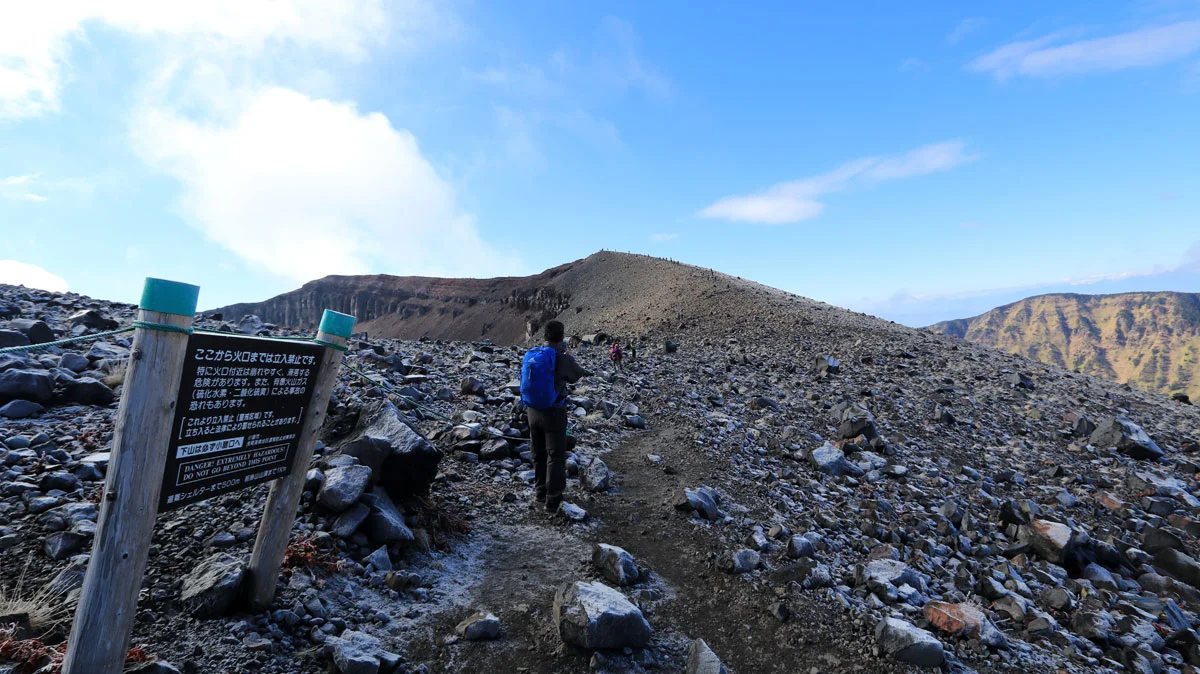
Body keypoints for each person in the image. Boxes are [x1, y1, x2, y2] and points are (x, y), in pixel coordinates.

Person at [522, 320, 590, 512]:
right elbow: (575, 375)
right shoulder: (561, 357)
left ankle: (539, 493)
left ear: (545, 335)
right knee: (555, 455)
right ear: (561, 337)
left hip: (532, 411)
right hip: (553, 411)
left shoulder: (534, 354)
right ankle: (553, 500)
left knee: (538, 453)